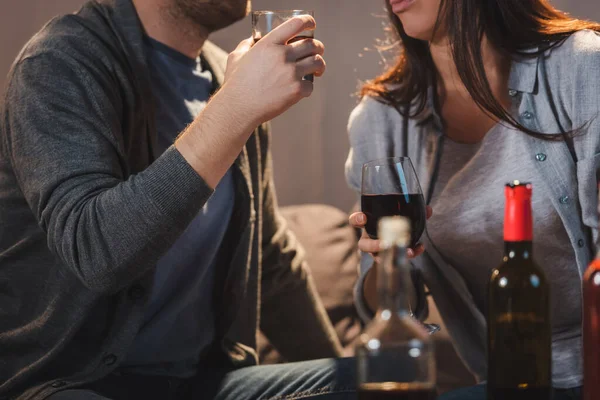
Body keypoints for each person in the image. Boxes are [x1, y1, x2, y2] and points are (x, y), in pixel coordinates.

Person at [0, 0, 358, 399]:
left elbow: (270, 260)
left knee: (380, 378)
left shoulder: (229, 75)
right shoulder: (59, 61)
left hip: (202, 382)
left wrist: (348, 379)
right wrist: (235, 107)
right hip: (72, 382)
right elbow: (97, 252)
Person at [346, 0, 600, 399]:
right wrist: (386, 262)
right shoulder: (382, 118)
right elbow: (392, 311)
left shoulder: (583, 68)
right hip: (502, 378)